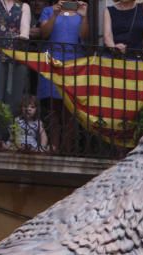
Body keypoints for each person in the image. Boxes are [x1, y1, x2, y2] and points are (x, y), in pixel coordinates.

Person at [35, 1, 87, 152]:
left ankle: (68, 148)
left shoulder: (81, 12)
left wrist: (84, 17)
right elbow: (44, 33)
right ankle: (54, 145)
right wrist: (54, 15)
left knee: (70, 109)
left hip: (74, 63)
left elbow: (84, 35)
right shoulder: (48, 11)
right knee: (53, 107)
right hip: (52, 63)